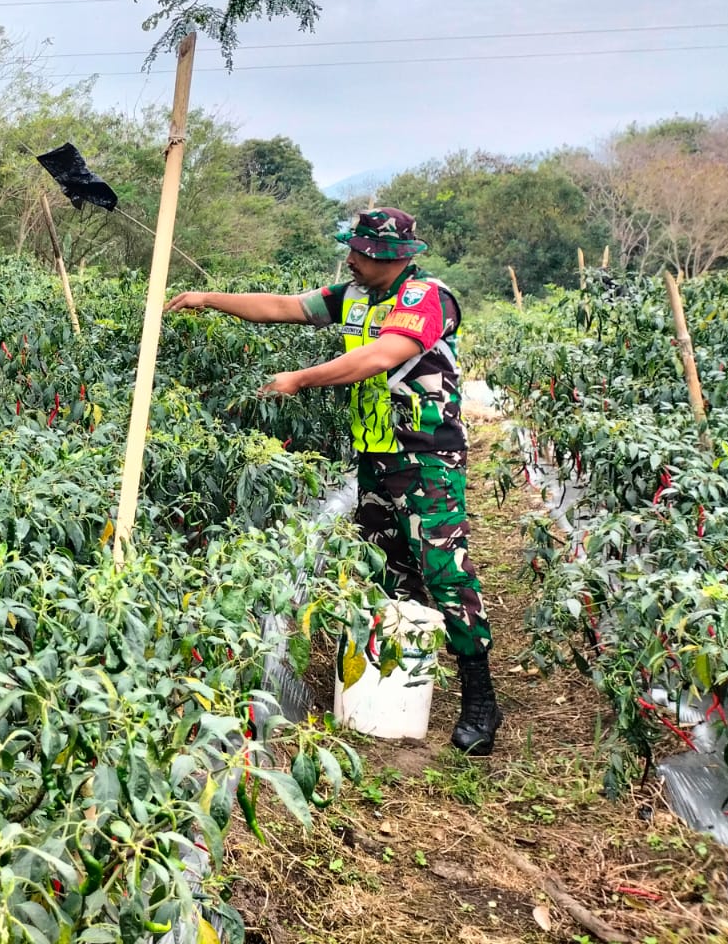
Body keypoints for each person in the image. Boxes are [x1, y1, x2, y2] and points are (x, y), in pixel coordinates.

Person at [163, 208, 501, 755]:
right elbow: (283, 307)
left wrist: (299, 379)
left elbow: (380, 356)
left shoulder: (426, 298)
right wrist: (209, 299)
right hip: (374, 449)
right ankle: (397, 680)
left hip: (426, 455)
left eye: (361, 252)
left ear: (390, 257)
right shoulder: (354, 295)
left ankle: (480, 699)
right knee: (387, 568)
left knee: (443, 568)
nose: (350, 259)